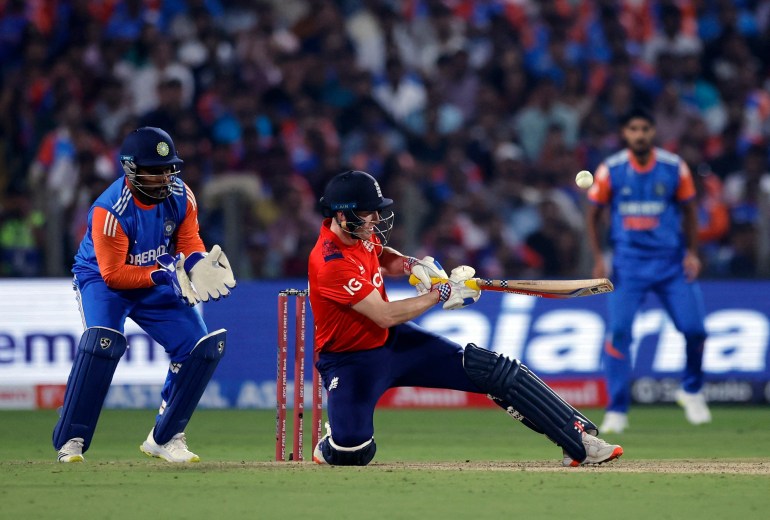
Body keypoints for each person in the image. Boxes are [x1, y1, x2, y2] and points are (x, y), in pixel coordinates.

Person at [307, 169, 623, 467]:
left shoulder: (359, 232)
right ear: (340, 215)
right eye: (367, 211)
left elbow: (381, 255)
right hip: (350, 361)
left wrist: (412, 265)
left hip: (394, 343)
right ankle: (334, 438)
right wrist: (438, 295)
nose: (375, 217)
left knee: (490, 369)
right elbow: (384, 314)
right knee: (355, 451)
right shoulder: (331, 263)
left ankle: (578, 439)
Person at [53, 127, 236, 463]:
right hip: (104, 281)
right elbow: (114, 274)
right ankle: (72, 439)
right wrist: (162, 273)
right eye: (154, 171)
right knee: (101, 344)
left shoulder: (182, 195)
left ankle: (166, 437)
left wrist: (196, 264)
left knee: (199, 347)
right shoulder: (110, 210)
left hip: (156, 276)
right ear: (131, 169)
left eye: (168, 169)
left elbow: (188, 241)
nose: (164, 178)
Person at [586, 108, 711, 434]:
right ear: (625, 134)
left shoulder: (673, 167)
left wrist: (693, 253)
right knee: (618, 333)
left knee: (695, 330)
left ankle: (692, 390)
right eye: (633, 129)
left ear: (653, 132)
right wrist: (600, 257)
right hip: (629, 266)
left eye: (644, 128)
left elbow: (690, 212)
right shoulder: (611, 170)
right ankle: (616, 410)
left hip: (671, 264)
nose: (639, 134)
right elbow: (593, 215)